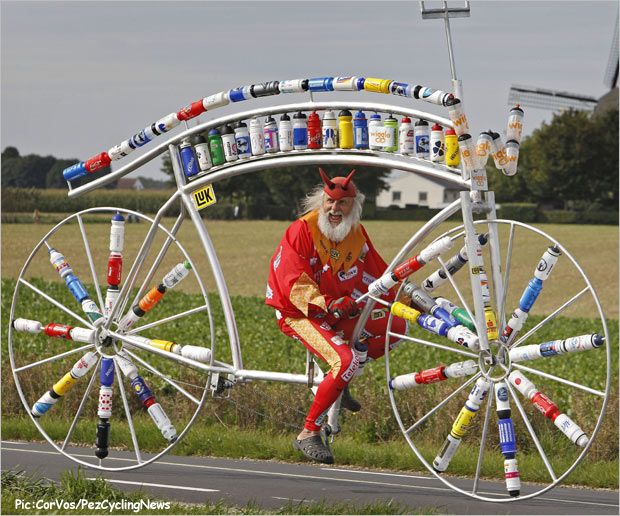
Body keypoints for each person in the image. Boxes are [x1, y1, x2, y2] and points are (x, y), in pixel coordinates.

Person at [265, 168, 406, 464]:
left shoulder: (356, 234)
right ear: (321, 202)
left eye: (342, 204)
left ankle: (343, 380)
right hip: (299, 313)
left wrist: (410, 299)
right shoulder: (302, 230)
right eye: (329, 202)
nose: (334, 208)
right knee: (345, 360)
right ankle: (308, 432)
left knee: (396, 327)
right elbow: (293, 283)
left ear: (354, 208)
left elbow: (380, 276)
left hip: (338, 310)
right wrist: (328, 304)